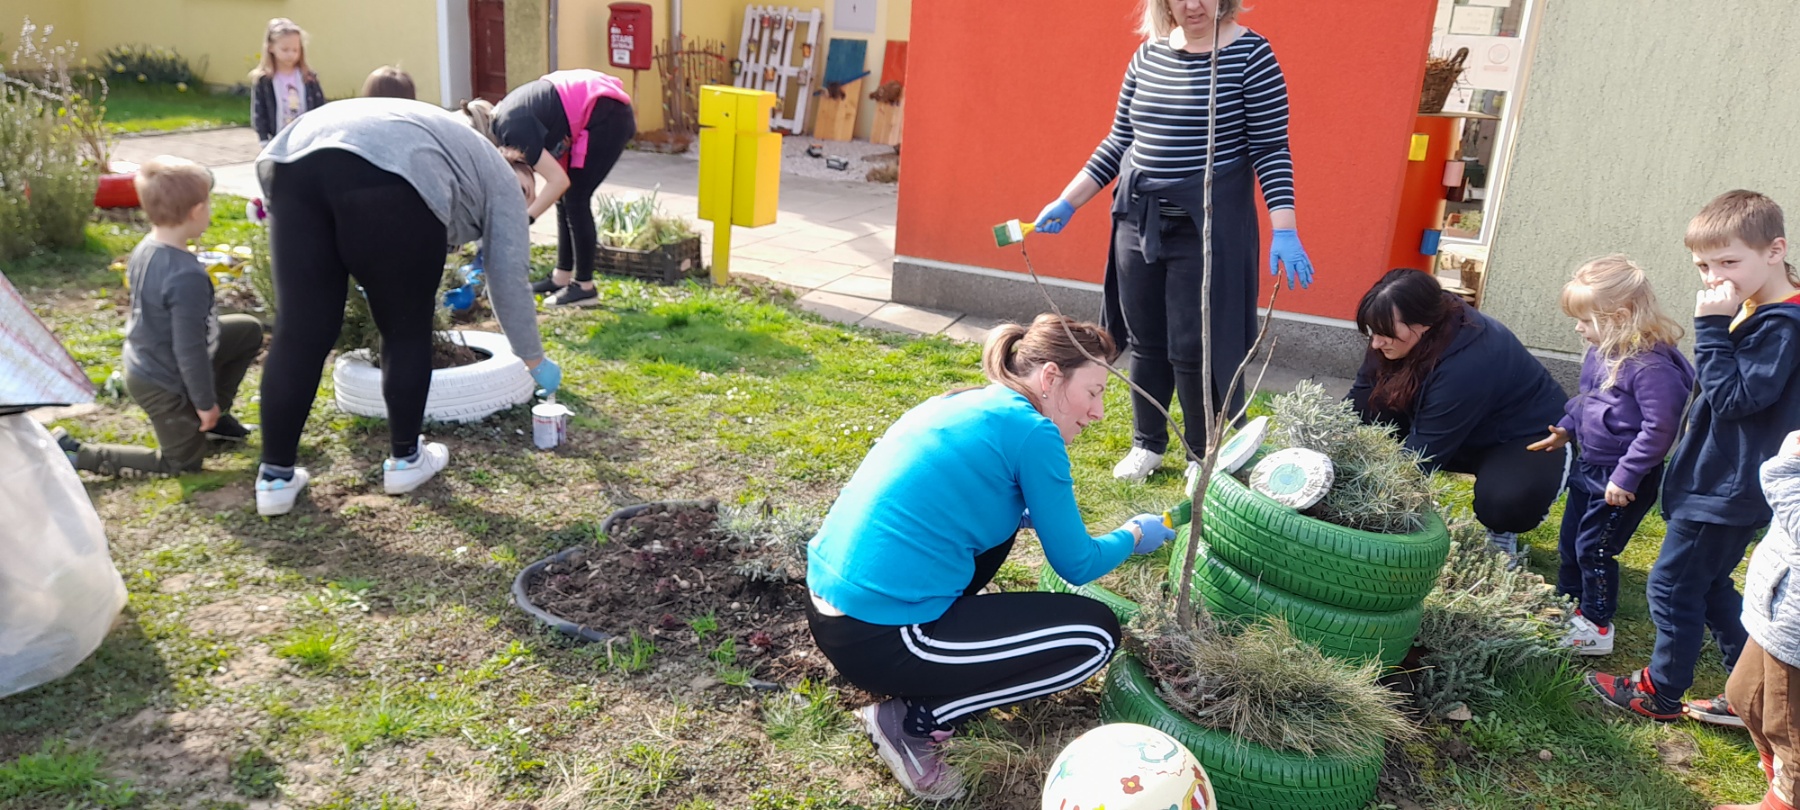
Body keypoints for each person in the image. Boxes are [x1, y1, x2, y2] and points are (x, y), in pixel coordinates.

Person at [805, 314, 1176, 801]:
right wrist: (1133, 534)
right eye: (1093, 391)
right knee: (1095, 636)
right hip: (882, 637)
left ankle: (931, 672)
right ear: (1049, 378)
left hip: (830, 608)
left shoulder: (963, 400)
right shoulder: (1033, 433)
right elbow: (1078, 565)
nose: (1099, 412)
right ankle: (912, 724)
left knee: (1003, 532)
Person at [1030, 0, 1314, 485]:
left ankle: (1201, 454)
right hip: (1138, 222)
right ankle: (1148, 444)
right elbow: (1121, 139)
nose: (1192, 5)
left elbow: (1270, 148)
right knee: (1145, 342)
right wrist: (1068, 199)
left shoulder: (1251, 56)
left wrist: (1283, 226)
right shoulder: (1148, 55)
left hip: (1203, 229)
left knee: (1194, 346)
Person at [252, 97, 563, 517]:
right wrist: (533, 357)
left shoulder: (452, 150)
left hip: (295, 161)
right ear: (516, 171)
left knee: (301, 330)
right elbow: (508, 278)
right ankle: (405, 459)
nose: (524, 203)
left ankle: (275, 478)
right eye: (526, 191)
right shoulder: (502, 179)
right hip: (392, 169)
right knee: (404, 328)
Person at [1590, 190, 1800, 724]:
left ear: (1775, 251)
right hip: (1725, 477)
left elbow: (1732, 399)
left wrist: (1710, 326)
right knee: (1706, 584)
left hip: (1727, 485)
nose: (1715, 278)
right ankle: (1744, 694)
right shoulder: (1761, 306)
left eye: (1729, 262)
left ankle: (1660, 691)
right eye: (1704, 265)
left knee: (1671, 583)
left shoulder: (1780, 326)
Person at [52, 156, 263, 476]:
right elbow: (188, 351)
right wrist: (204, 402)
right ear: (196, 212)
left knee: (246, 330)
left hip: (152, 355)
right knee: (183, 463)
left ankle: (215, 423)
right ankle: (79, 454)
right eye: (207, 203)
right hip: (161, 380)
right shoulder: (187, 276)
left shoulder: (147, 247)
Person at [1529, 255, 1693, 656]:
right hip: (1590, 467)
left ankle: (1597, 625)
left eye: (1586, 320)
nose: (1578, 328)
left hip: (1623, 480)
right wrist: (1567, 429)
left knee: (1595, 548)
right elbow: (1589, 401)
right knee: (1570, 542)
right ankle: (1570, 608)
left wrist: (1626, 476)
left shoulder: (1652, 368)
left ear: (1619, 316)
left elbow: (1660, 429)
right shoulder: (1602, 351)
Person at [1348, 268, 1569, 560]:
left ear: (1424, 324)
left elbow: (1420, 458)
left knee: (1504, 503)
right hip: (1456, 424)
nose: (1376, 343)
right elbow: (1361, 399)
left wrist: (1362, 508)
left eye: (1386, 334)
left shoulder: (1469, 362)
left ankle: (1502, 533)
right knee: (1369, 412)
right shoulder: (1393, 329)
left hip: (1526, 436)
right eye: (1372, 333)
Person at [463, 69, 635, 307]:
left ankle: (585, 287)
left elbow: (558, 181)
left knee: (576, 197)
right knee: (565, 199)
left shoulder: (513, 131)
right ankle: (561, 277)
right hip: (594, 111)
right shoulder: (506, 123)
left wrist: (526, 218)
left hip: (609, 116)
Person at [1715, 430, 1800, 810]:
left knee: (1789, 732)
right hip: (1779, 603)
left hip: (1795, 622)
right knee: (1746, 697)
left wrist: (1786, 471)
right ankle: (1778, 791)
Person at [250, 18, 325, 146]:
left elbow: (320, 107)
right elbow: (259, 111)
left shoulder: (308, 77)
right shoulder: (265, 80)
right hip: (277, 138)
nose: (291, 54)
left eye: (295, 50)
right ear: (271, 47)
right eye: (285, 50)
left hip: (306, 137)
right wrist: (263, 138)